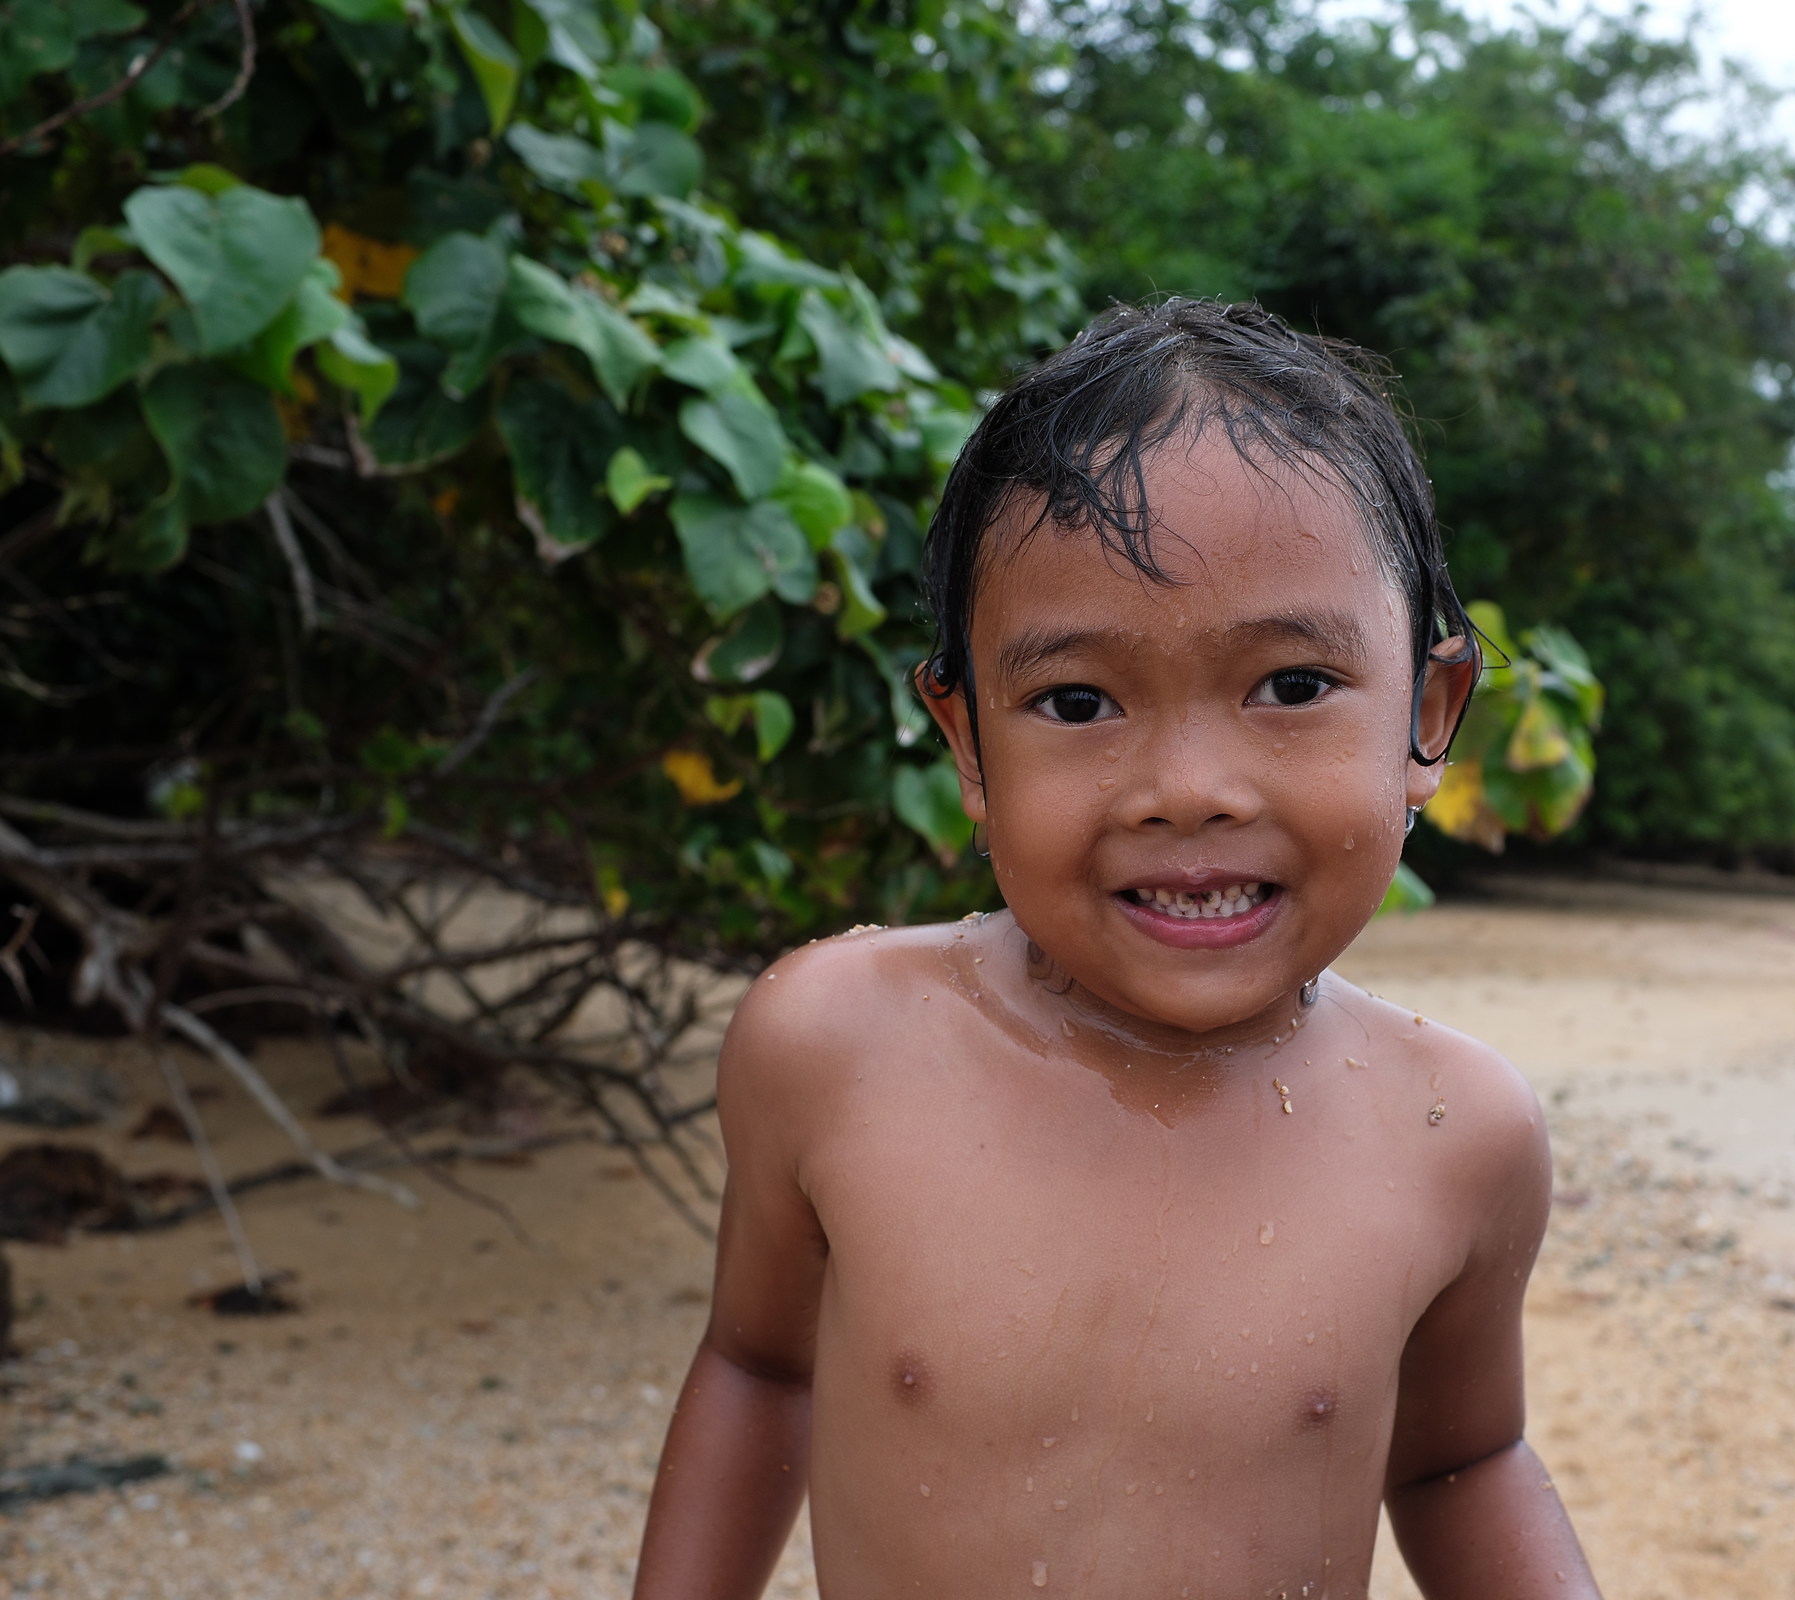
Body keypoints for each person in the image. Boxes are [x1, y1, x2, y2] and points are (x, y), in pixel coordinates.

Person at [632, 300, 1603, 1599]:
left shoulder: (1455, 1131)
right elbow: (759, 1368)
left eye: (1292, 685)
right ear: (969, 744)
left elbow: (1461, 1462)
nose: (1187, 788)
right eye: (1077, 702)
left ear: (1427, 716)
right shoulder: (835, 1044)